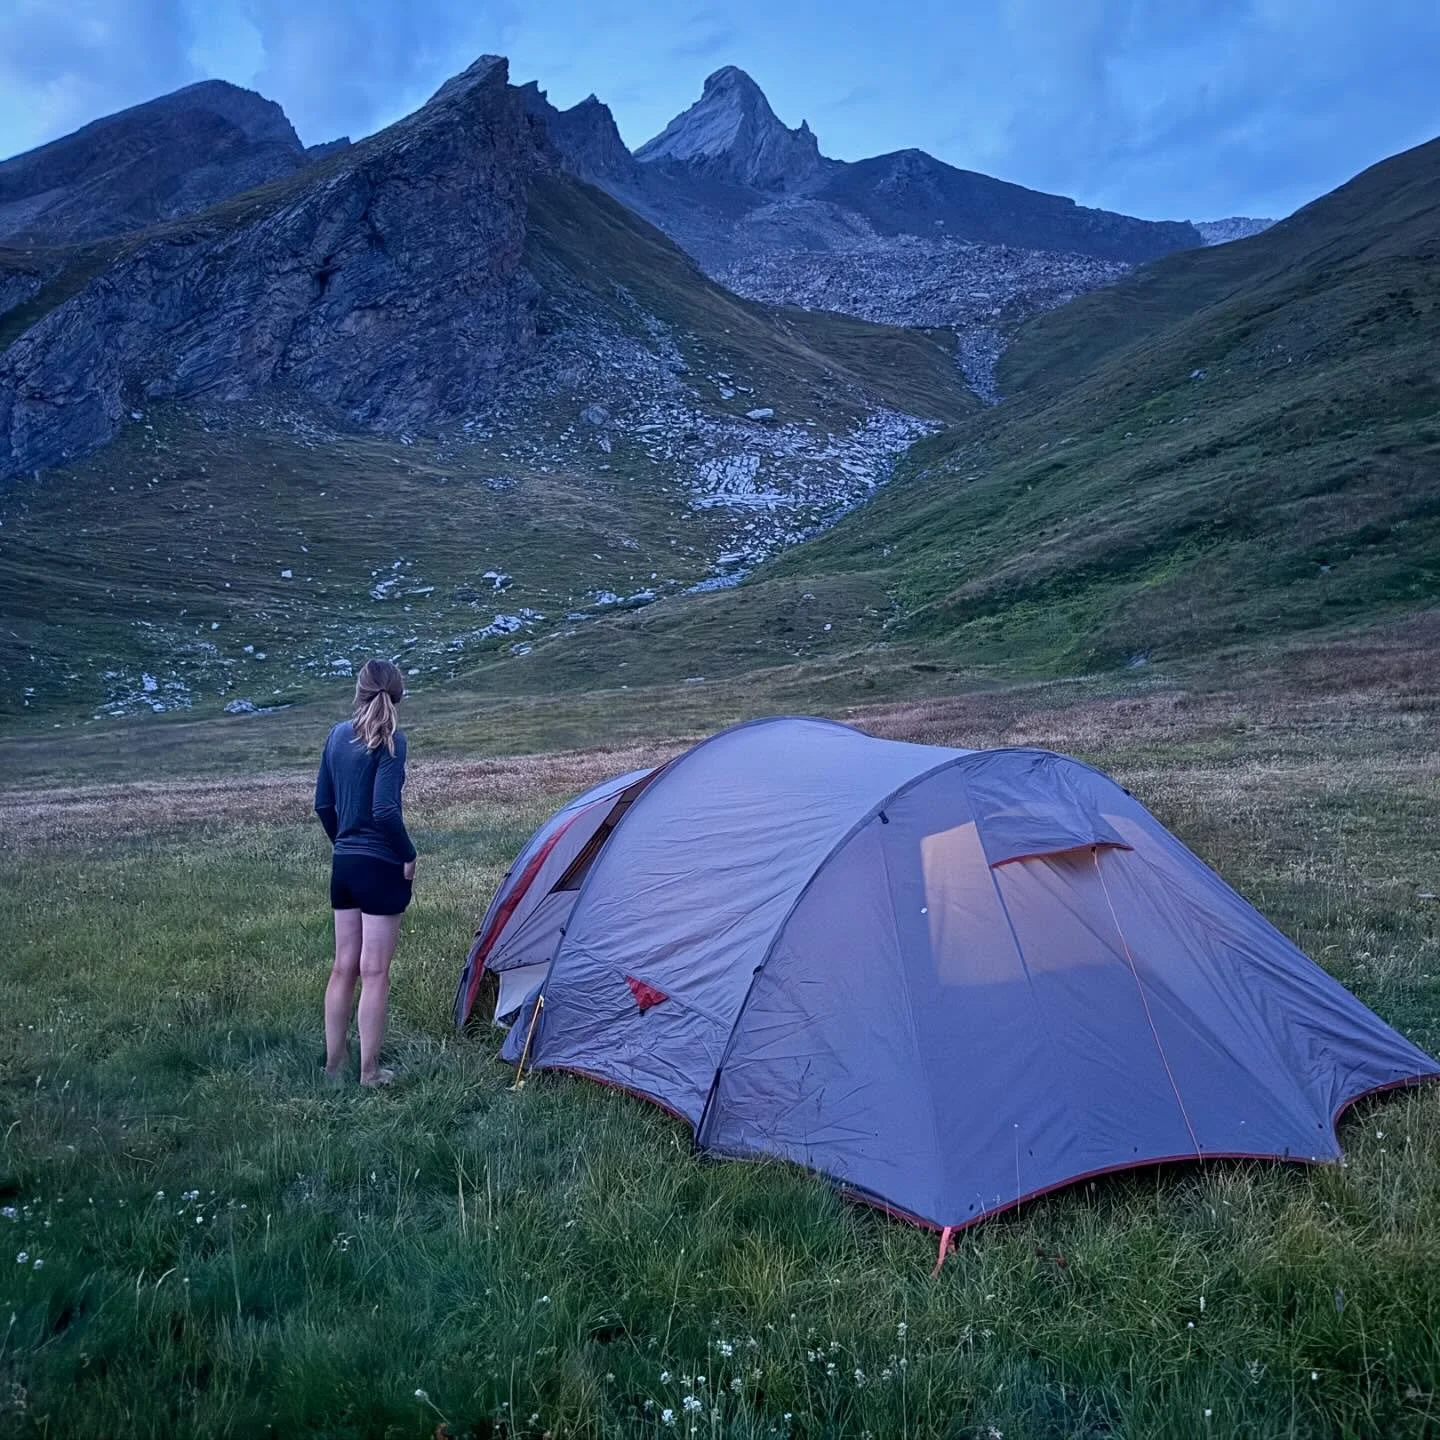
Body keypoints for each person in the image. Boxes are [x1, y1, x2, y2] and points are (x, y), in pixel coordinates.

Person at [314, 659, 417, 1086]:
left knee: (343, 968)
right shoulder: (392, 741)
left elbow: (323, 804)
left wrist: (343, 844)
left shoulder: (336, 736)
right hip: (380, 865)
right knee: (374, 971)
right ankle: (370, 1072)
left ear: (358, 691)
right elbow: (385, 811)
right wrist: (407, 854)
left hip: (345, 865)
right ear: (397, 693)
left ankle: (334, 1066)